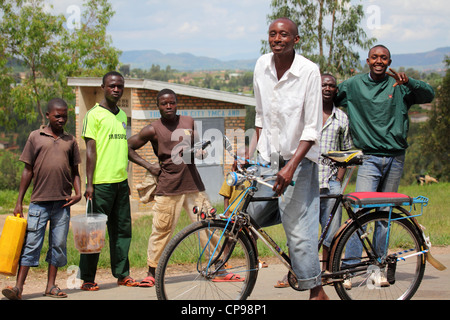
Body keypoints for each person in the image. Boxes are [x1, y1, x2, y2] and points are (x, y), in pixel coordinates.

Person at [335, 45, 435, 288]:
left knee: (385, 215)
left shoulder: (400, 86)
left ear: (390, 61)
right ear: (367, 60)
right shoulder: (354, 85)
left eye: (384, 58)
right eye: (374, 57)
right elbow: (331, 99)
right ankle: (348, 269)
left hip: (395, 157)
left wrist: (409, 80)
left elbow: (429, 95)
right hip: (368, 158)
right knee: (361, 214)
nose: (379, 61)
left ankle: (377, 268)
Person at [249, 17, 328, 300]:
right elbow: (260, 114)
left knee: (297, 230)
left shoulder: (309, 71)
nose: (277, 39)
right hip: (269, 157)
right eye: (272, 34)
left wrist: (291, 167)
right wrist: (253, 155)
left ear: (296, 40)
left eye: (284, 34)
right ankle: (292, 212)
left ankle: (316, 291)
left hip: (300, 160)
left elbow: (312, 127)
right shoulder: (261, 65)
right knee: (250, 215)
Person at [128, 88, 218, 287]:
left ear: (177, 104)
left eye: (172, 103)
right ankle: (152, 272)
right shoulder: (152, 129)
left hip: (194, 184)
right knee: (161, 229)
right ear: (158, 106)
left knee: (209, 226)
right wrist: (150, 166)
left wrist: (200, 153)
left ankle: (218, 266)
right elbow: (128, 147)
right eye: (164, 103)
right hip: (168, 186)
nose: (169, 106)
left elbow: (197, 148)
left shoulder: (188, 122)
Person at [1, 98, 82, 300]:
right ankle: (19, 288)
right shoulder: (35, 137)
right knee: (31, 244)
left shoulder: (70, 140)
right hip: (39, 203)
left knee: (58, 245)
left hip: (63, 203)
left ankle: (51, 286)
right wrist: (19, 201)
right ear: (47, 115)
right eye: (57, 115)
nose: (61, 119)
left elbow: (75, 172)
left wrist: (78, 193)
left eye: (64, 116)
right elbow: (27, 170)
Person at [79, 71, 139, 291]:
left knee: (122, 230)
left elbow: (122, 150)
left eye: (120, 86)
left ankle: (122, 274)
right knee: (94, 231)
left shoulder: (122, 116)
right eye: (112, 86)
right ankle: (87, 278)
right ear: (103, 87)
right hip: (100, 184)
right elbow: (90, 152)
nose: (116, 89)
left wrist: (125, 180)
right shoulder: (93, 115)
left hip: (120, 183)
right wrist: (89, 184)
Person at [318, 74, 353, 269]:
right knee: (303, 230)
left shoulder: (341, 118)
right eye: (324, 85)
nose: (327, 88)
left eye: (331, 86)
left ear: (336, 91)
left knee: (331, 231)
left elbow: (346, 151)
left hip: (331, 181)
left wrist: (338, 179)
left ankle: (328, 270)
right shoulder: (307, 115)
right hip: (308, 180)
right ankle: (300, 272)